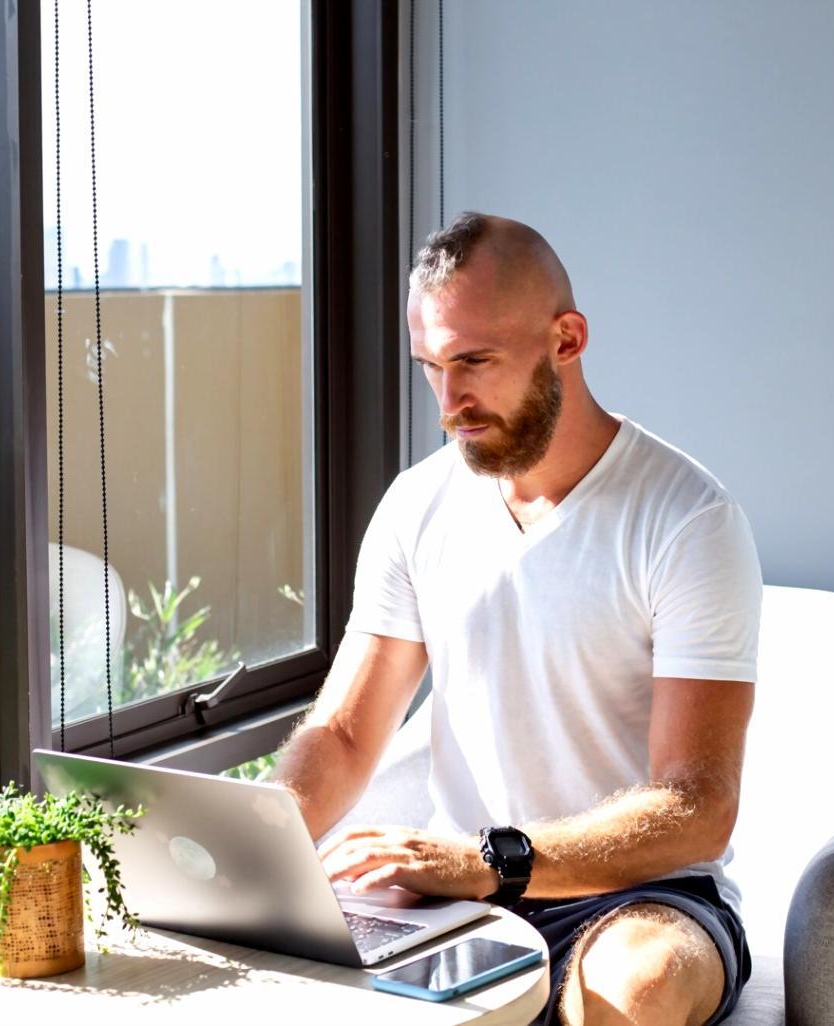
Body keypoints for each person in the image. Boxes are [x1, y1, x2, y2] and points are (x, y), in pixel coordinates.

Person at [271, 213, 763, 1025]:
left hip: (638, 894)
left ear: (565, 339)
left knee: (630, 993)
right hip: (456, 891)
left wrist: (486, 860)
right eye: (430, 366)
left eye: (473, 362)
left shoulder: (687, 519)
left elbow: (696, 805)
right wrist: (252, 849)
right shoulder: (416, 505)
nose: (448, 402)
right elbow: (346, 735)